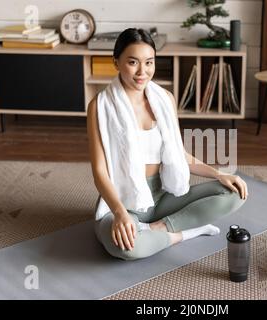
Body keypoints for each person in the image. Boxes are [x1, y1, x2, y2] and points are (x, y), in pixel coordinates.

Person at [87, 28, 248, 261]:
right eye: (133, 62)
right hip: (124, 201)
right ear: (116, 62)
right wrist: (120, 213)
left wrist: (219, 174)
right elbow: (100, 172)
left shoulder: (165, 99)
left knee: (235, 193)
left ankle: (160, 228)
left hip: (162, 197)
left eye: (149, 62)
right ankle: (181, 234)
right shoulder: (99, 106)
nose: (143, 72)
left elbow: (179, 154)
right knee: (125, 248)